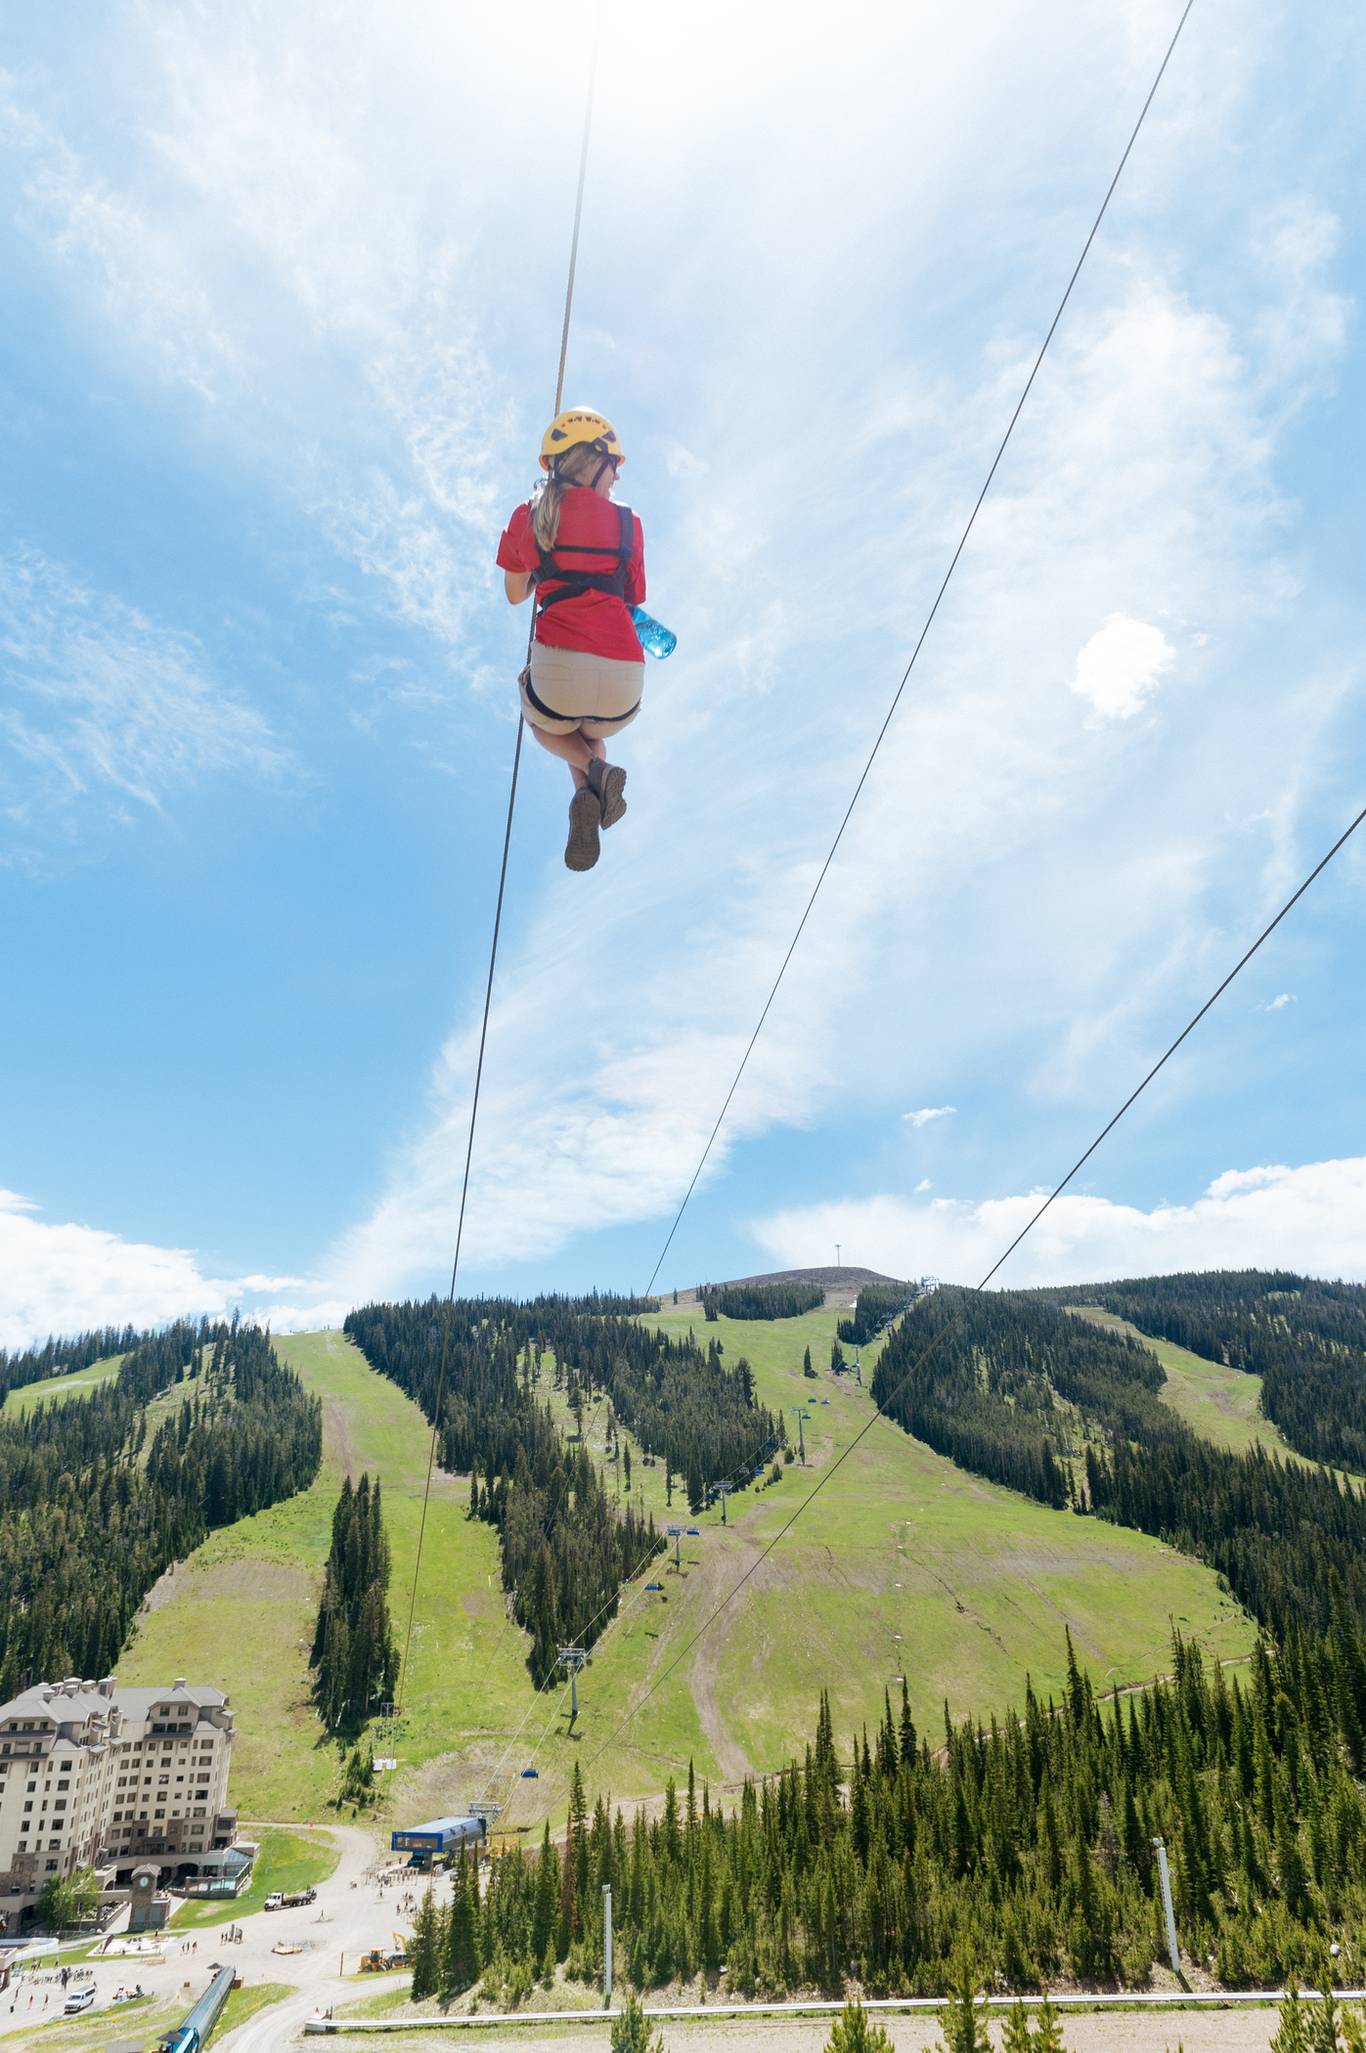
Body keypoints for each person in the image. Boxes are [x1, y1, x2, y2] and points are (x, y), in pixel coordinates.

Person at [496, 408, 647, 872]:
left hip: (558, 677)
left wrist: (541, 552)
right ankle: (587, 786)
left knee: (543, 719)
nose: (616, 479)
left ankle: (592, 780)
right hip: (623, 685)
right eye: (614, 468)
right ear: (597, 461)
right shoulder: (629, 524)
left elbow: (514, 595)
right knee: (590, 735)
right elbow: (632, 596)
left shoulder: (530, 514)